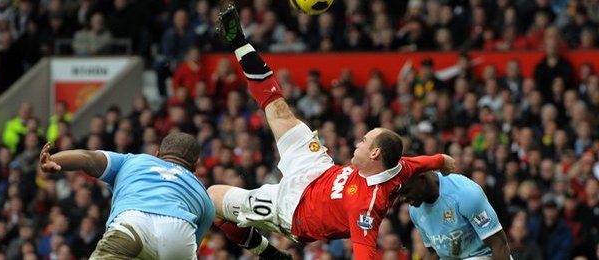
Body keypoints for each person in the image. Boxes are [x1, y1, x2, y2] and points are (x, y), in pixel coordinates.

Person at [208, 3, 456, 259]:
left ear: (374, 153)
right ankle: (239, 42)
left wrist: (441, 163)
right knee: (279, 109)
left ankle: (267, 253)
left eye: (364, 140)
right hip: (317, 169)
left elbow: (365, 253)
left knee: (211, 198)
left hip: (294, 210)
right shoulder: (397, 166)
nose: (357, 142)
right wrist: (443, 161)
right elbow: (428, 161)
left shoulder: (366, 208)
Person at [39, 132, 215, 259]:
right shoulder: (203, 195)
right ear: (194, 167)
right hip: (179, 235)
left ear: (157, 155)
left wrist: (53, 160)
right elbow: (194, 243)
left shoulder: (133, 160)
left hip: (135, 222)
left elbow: (87, 158)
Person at [398, 170, 512, 259]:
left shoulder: (465, 193)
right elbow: (433, 253)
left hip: (485, 256)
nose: (403, 199)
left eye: (406, 191)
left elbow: (499, 244)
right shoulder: (414, 210)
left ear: (421, 178)